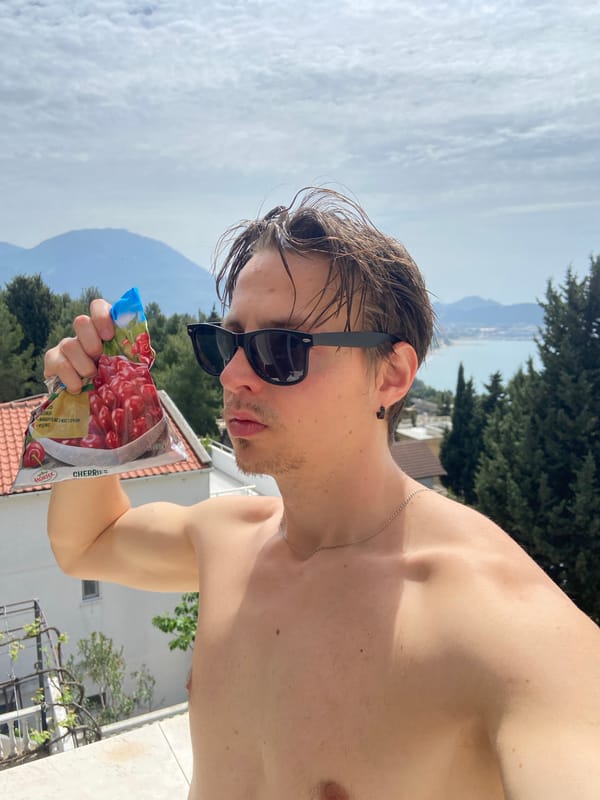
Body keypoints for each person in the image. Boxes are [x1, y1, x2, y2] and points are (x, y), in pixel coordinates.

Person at [45, 188, 600, 800]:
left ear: (391, 375)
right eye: (226, 342)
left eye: (281, 349)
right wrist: (89, 407)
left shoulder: (494, 621)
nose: (232, 374)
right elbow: (86, 543)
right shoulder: (229, 542)